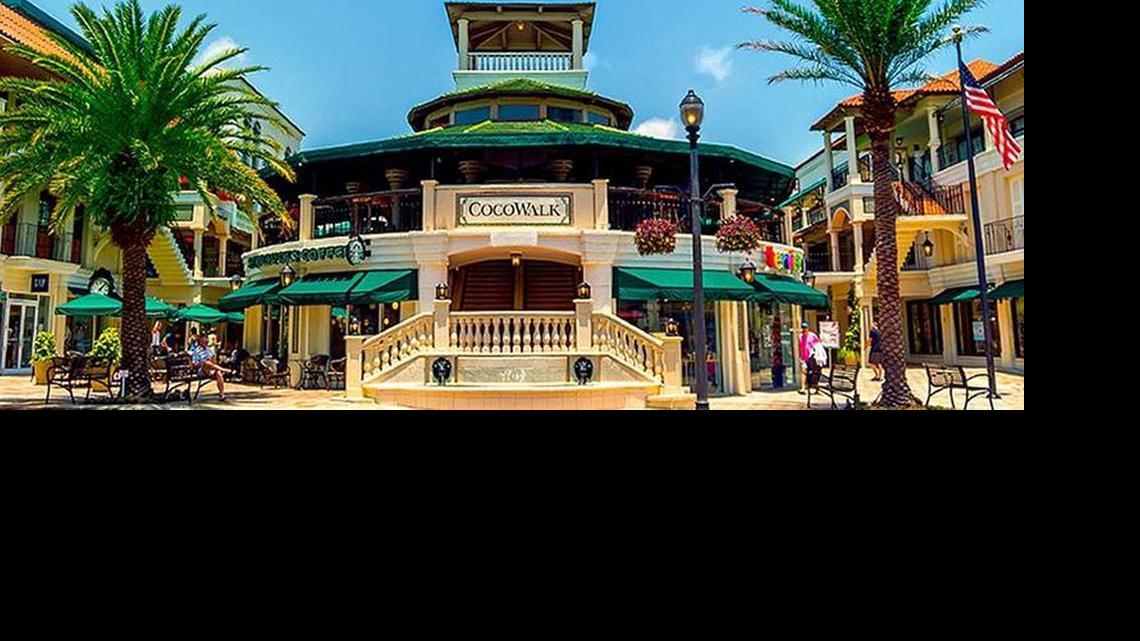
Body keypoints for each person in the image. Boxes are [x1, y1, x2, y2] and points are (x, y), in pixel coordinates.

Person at [189, 334, 232, 402]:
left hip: (211, 369)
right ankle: (224, 370)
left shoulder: (208, 350)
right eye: (204, 342)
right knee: (206, 362)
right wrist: (203, 363)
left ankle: (222, 394)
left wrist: (213, 359)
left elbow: (214, 361)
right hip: (201, 370)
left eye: (207, 342)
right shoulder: (196, 351)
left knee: (218, 373)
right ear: (200, 342)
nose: (206, 344)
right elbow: (195, 364)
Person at [799, 322, 823, 395]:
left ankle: (817, 387)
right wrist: (800, 356)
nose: (804, 329)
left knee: (814, 372)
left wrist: (818, 355)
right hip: (804, 358)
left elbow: (818, 346)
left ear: (808, 328)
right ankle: (803, 388)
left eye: (805, 328)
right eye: (803, 328)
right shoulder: (800, 337)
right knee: (803, 371)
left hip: (812, 357)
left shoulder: (812, 336)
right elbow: (800, 347)